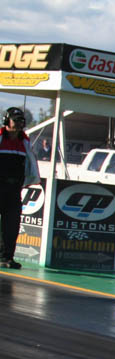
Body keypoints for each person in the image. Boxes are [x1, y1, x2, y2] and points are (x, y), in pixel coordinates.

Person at [0, 107, 32, 269]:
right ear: (7, 121)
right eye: (16, 120)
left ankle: (7, 257)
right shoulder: (0, 137)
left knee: (12, 226)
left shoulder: (24, 141)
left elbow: (30, 164)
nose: (19, 123)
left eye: (21, 121)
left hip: (14, 191)